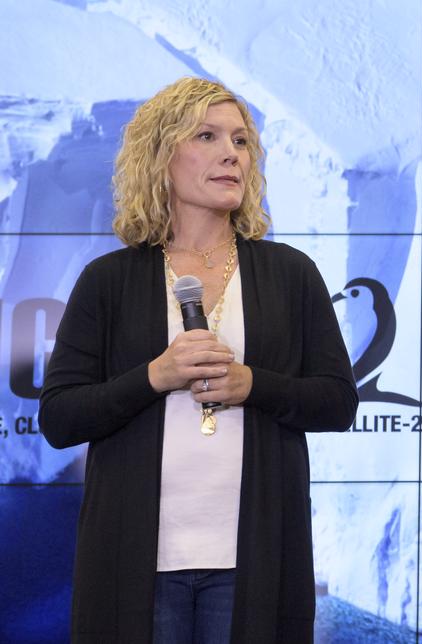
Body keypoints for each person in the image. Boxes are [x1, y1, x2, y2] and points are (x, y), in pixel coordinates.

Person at [39, 77, 358, 643]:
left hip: (254, 558)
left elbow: (337, 401)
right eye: (207, 136)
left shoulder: (291, 273)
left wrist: (252, 384)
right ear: (162, 155)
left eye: (240, 141)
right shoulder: (107, 281)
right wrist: (154, 377)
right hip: (137, 560)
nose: (230, 153)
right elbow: (61, 417)